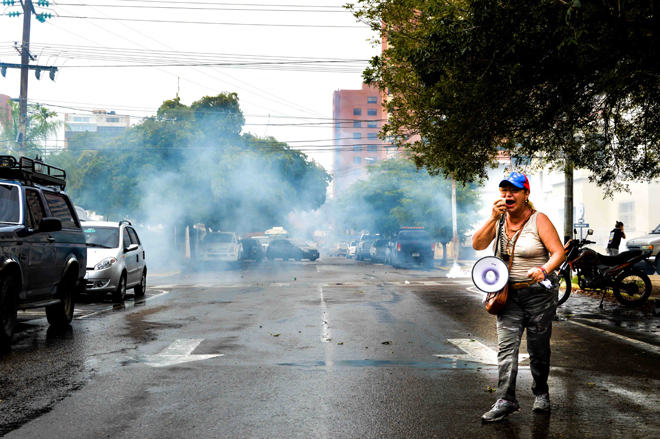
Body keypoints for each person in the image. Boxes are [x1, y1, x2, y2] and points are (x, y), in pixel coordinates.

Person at [472, 172, 566, 422]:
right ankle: (506, 399)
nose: (507, 195)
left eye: (513, 190)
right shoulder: (499, 220)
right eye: (504, 190)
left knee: (538, 349)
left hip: (538, 295)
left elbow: (558, 253)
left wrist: (543, 269)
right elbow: (478, 245)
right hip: (507, 295)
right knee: (506, 348)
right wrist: (492, 217)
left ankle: (541, 392)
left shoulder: (539, 220)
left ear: (526, 194)